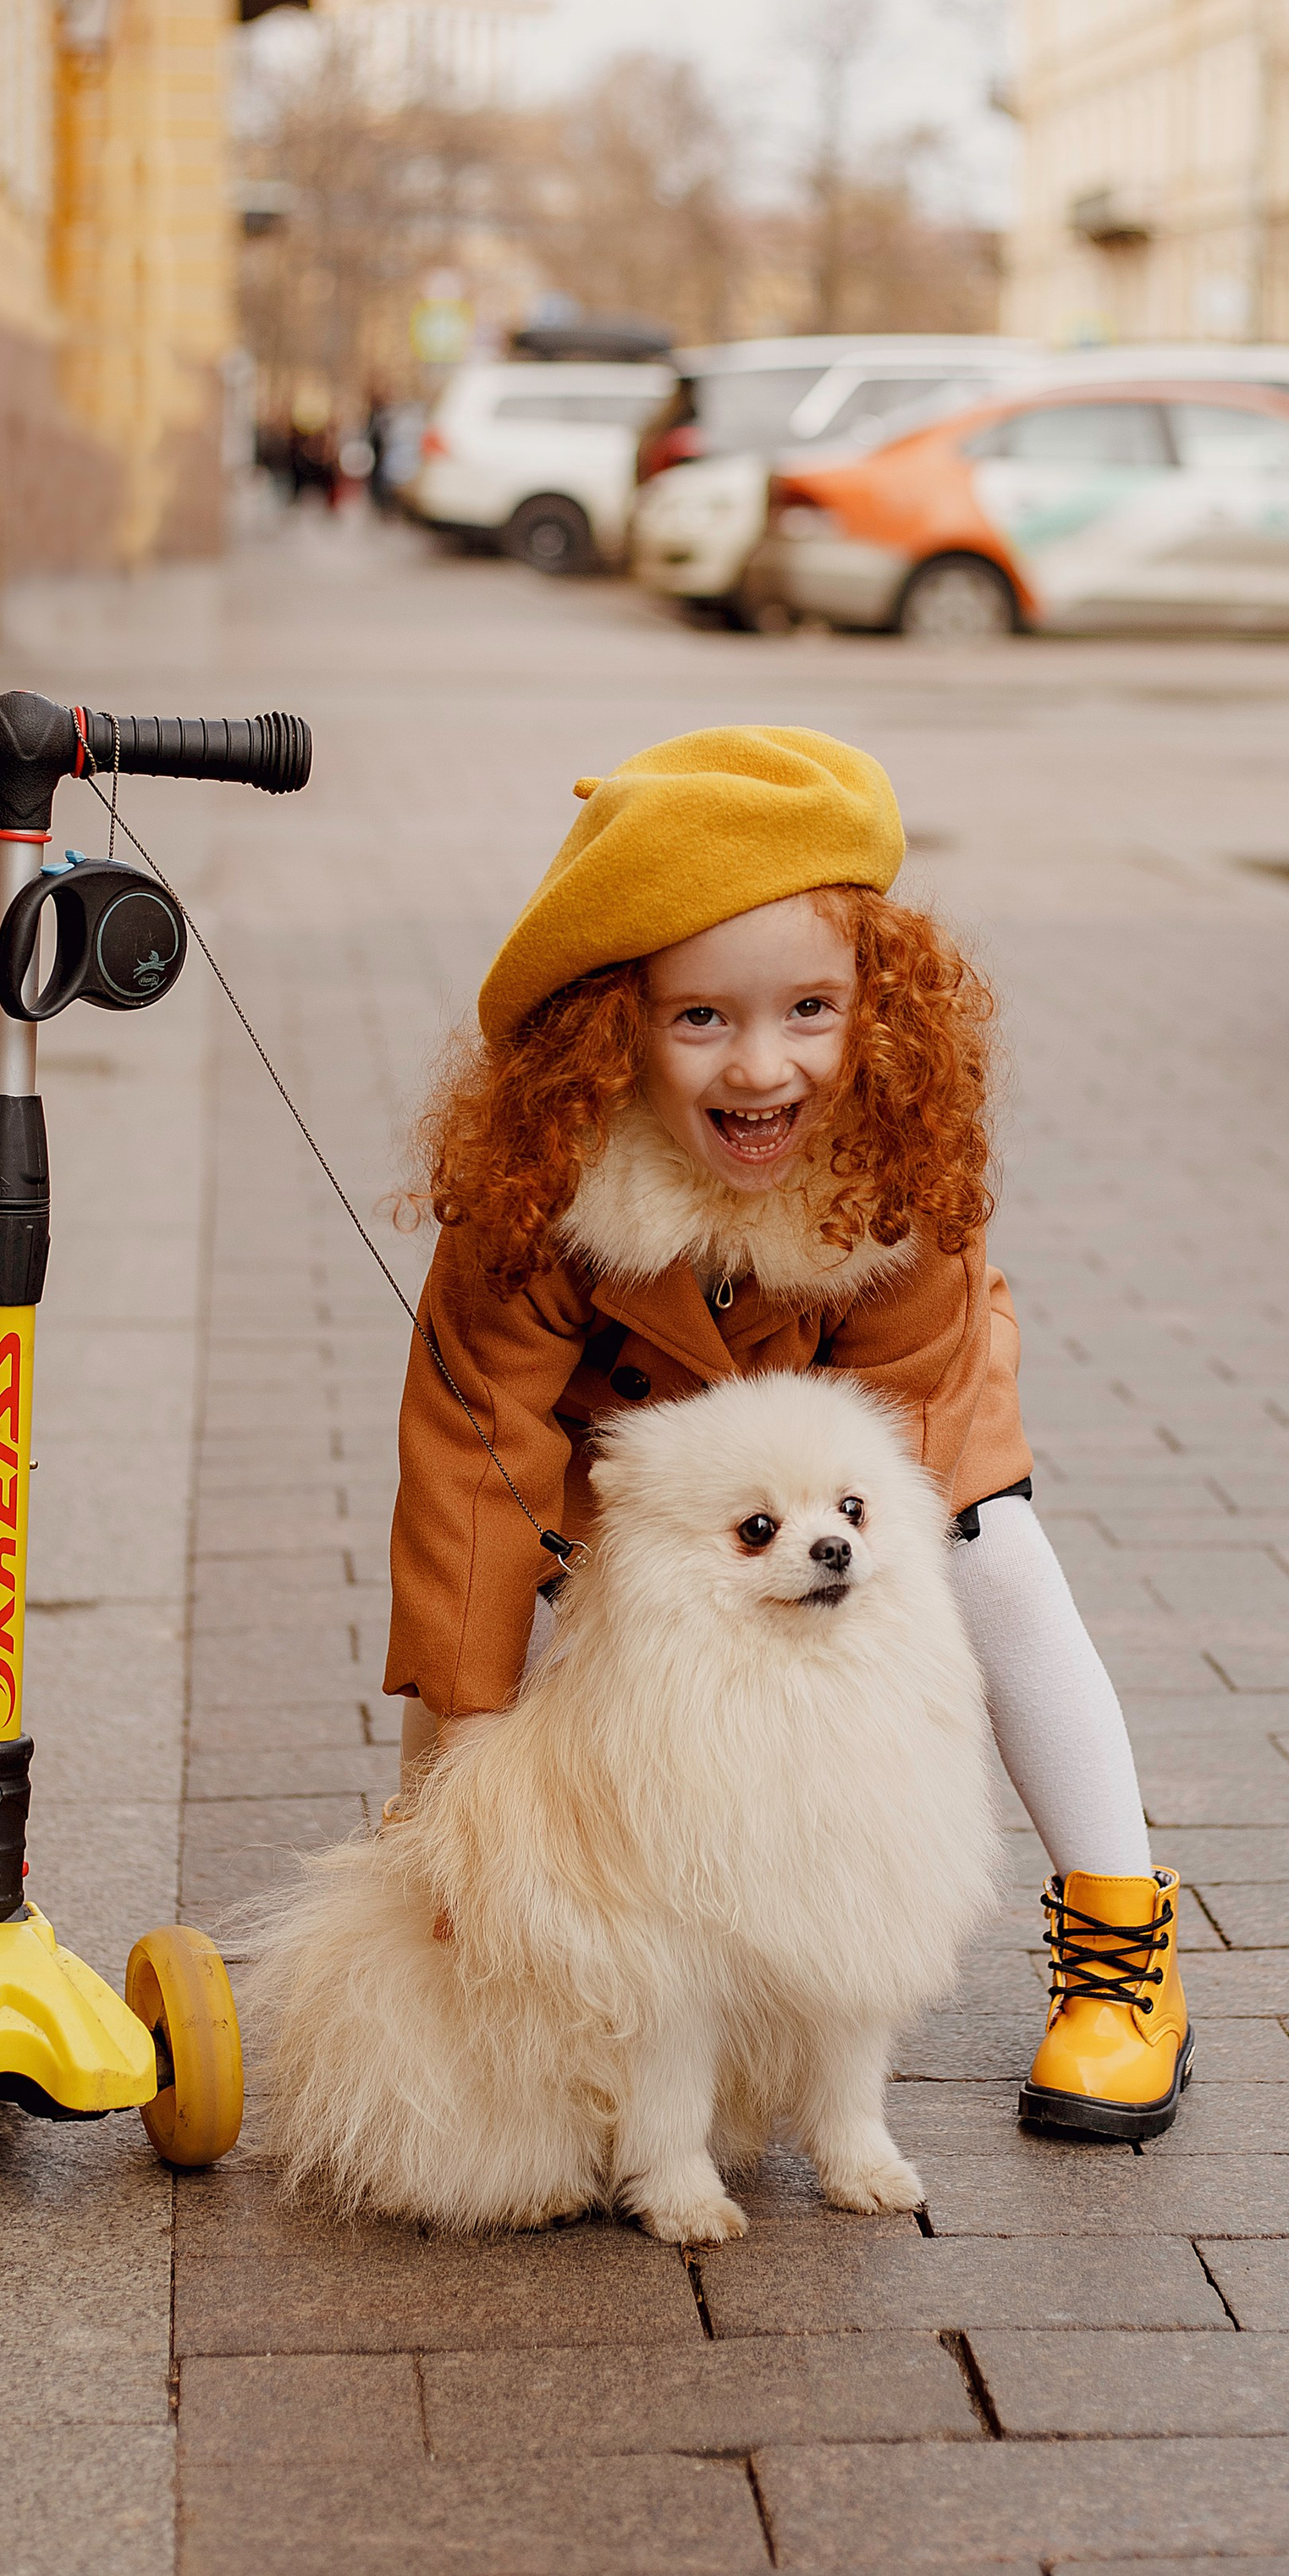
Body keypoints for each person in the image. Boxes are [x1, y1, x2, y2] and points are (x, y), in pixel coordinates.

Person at [385, 725, 1189, 2140]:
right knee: (552, 1660)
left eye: (811, 1009)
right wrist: (461, 1777)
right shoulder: (539, 1188)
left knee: (996, 1563)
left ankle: (1123, 1963)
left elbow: (905, 1453)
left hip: (874, 1456)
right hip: (626, 1476)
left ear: (877, 1011)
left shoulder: (897, 1162)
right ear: (611, 1029)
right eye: (701, 1018)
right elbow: (476, 1467)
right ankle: (594, 1954)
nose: (762, 1069)